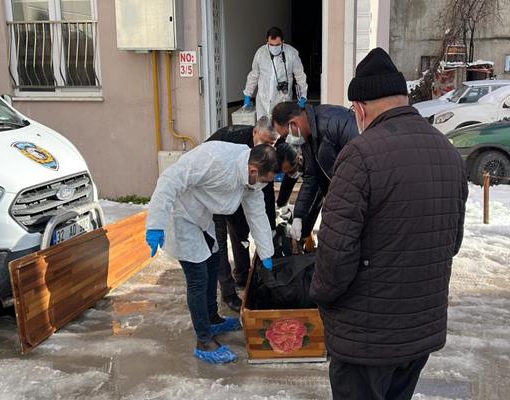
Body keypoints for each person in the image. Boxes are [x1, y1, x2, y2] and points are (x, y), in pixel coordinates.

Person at [310, 47, 469, 400]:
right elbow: (452, 241)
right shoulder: (447, 152)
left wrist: (320, 295)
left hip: (367, 337)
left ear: (361, 108)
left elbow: (335, 253)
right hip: (420, 330)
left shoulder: (359, 154)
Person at [146, 142, 278, 364]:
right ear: (254, 170)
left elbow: (257, 214)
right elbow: (169, 179)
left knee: (213, 262)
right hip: (180, 215)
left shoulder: (251, 180)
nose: (264, 185)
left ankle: (212, 318)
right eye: (265, 180)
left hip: (202, 215)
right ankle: (204, 340)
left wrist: (266, 253)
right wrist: (156, 224)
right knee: (198, 278)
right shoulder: (215, 160)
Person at [205, 117, 296, 312]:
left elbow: (265, 193)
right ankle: (228, 293)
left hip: (241, 193)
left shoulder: (272, 152)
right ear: (254, 132)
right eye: (264, 142)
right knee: (218, 242)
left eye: (272, 143)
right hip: (212, 194)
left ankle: (243, 276)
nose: (268, 147)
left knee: (241, 233)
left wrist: (270, 233)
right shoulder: (231, 139)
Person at [271, 101, 358, 245]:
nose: (287, 140)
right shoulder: (308, 136)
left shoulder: (332, 123)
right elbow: (312, 177)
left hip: (357, 197)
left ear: (294, 123)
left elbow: (362, 163)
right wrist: (298, 216)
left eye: (286, 135)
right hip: (342, 198)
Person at [243, 26, 308, 119]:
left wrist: (303, 96)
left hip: (283, 101)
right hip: (263, 101)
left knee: (279, 131)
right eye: (271, 45)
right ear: (267, 42)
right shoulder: (261, 53)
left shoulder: (291, 53)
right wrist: (248, 94)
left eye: (277, 45)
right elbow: (254, 75)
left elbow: (300, 75)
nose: (274, 47)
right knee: (263, 131)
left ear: (283, 41)